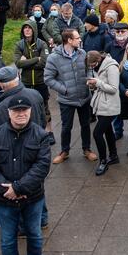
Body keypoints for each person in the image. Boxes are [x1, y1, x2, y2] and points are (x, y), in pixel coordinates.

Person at [0, 97, 52, 255]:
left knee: (34, 235)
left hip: (33, 198)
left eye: (24, 110)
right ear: (9, 113)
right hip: (5, 200)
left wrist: (18, 188)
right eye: (16, 111)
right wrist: (6, 190)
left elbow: (42, 167)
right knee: (7, 240)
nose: (21, 114)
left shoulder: (41, 135)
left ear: (30, 111)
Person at [44, 29, 97, 164]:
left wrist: (91, 82)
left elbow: (89, 71)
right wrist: (64, 90)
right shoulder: (53, 58)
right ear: (69, 40)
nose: (80, 40)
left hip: (84, 97)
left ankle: (87, 149)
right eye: (77, 38)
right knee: (66, 127)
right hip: (67, 99)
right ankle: (64, 151)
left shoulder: (82, 53)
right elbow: (48, 79)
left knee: (85, 125)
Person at [85, 50, 120, 176]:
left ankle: (103, 161)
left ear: (98, 60)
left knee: (97, 133)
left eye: (92, 65)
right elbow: (99, 86)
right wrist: (92, 85)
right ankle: (114, 155)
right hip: (101, 105)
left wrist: (97, 82)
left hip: (110, 106)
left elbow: (114, 88)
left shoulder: (111, 67)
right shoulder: (98, 66)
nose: (91, 67)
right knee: (108, 130)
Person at [14, 20, 51, 136]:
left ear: (34, 30)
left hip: (40, 82)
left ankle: (49, 132)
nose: (27, 30)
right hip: (26, 83)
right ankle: (30, 133)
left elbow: (44, 63)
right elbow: (18, 63)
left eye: (29, 28)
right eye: (25, 28)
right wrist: (36, 59)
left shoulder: (42, 44)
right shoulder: (19, 45)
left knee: (44, 108)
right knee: (26, 108)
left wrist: (27, 62)